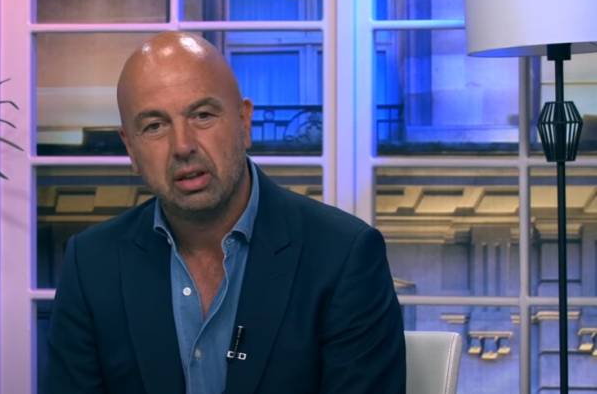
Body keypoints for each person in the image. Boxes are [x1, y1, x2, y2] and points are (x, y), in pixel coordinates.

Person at [44, 32, 405, 394]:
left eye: (202, 115)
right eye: (155, 126)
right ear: (131, 149)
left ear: (244, 123)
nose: (182, 146)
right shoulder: (92, 264)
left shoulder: (343, 256)